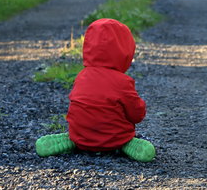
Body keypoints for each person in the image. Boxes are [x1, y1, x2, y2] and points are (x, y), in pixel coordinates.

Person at [35, 19, 155, 162]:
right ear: (125, 52)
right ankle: (125, 144)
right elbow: (136, 115)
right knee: (128, 139)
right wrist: (141, 106)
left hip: (80, 135)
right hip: (114, 138)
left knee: (82, 125)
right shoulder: (123, 82)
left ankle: (73, 139)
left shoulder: (81, 77)